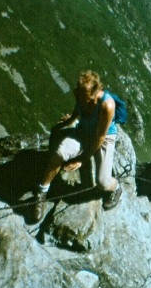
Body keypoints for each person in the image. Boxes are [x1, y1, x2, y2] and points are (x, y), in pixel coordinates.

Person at [32, 70, 122, 222]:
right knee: (59, 153)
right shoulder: (82, 95)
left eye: (83, 96)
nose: (78, 97)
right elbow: (76, 112)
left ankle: (117, 188)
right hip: (84, 130)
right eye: (78, 93)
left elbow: (100, 137)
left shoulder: (107, 105)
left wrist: (81, 159)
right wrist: (66, 124)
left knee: (102, 182)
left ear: (95, 93)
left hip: (104, 137)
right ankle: (41, 192)